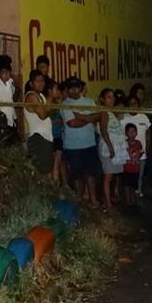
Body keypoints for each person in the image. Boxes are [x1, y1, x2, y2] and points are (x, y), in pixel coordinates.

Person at [61, 76, 101, 207]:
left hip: (89, 144)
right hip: (73, 146)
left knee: (90, 174)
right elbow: (72, 123)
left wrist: (82, 116)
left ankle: (93, 200)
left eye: (76, 87)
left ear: (80, 88)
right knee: (77, 176)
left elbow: (98, 116)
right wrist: (89, 118)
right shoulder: (64, 104)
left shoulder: (89, 101)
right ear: (67, 90)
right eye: (70, 88)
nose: (73, 90)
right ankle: (80, 201)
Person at [97, 88, 127, 214]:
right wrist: (110, 147)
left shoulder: (111, 112)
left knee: (111, 176)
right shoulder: (104, 112)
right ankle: (108, 204)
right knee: (108, 177)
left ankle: (108, 200)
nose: (112, 99)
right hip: (109, 148)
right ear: (103, 100)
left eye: (113, 96)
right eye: (109, 97)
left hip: (115, 147)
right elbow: (104, 130)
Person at [23, 70, 53, 176]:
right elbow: (43, 115)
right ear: (31, 83)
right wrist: (50, 98)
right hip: (38, 138)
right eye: (37, 80)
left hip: (45, 138)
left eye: (42, 80)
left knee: (48, 172)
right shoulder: (32, 96)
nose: (41, 83)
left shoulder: (40, 95)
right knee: (43, 174)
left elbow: (47, 110)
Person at [121, 96, 152, 197]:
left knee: (140, 174)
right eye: (130, 103)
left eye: (135, 103)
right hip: (127, 155)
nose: (133, 106)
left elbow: (148, 133)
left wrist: (147, 147)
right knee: (127, 176)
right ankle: (128, 195)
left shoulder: (143, 116)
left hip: (141, 153)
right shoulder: (124, 117)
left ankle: (138, 191)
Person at [45, 79, 68, 187]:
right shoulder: (46, 104)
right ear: (49, 91)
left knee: (57, 164)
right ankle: (55, 188)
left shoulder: (56, 104)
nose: (58, 91)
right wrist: (55, 121)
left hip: (58, 136)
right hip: (50, 137)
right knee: (53, 166)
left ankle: (56, 187)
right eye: (56, 89)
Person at [123, 123, 144, 209]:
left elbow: (142, 151)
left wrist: (138, 156)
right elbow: (123, 155)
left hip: (136, 169)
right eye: (130, 132)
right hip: (127, 169)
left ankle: (134, 201)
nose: (132, 134)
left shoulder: (138, 143)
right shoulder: (125, 144)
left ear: (136, 132)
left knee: (134, 186)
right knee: (127, 186)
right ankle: (129, 202)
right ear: (126, 133)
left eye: (134, 131)